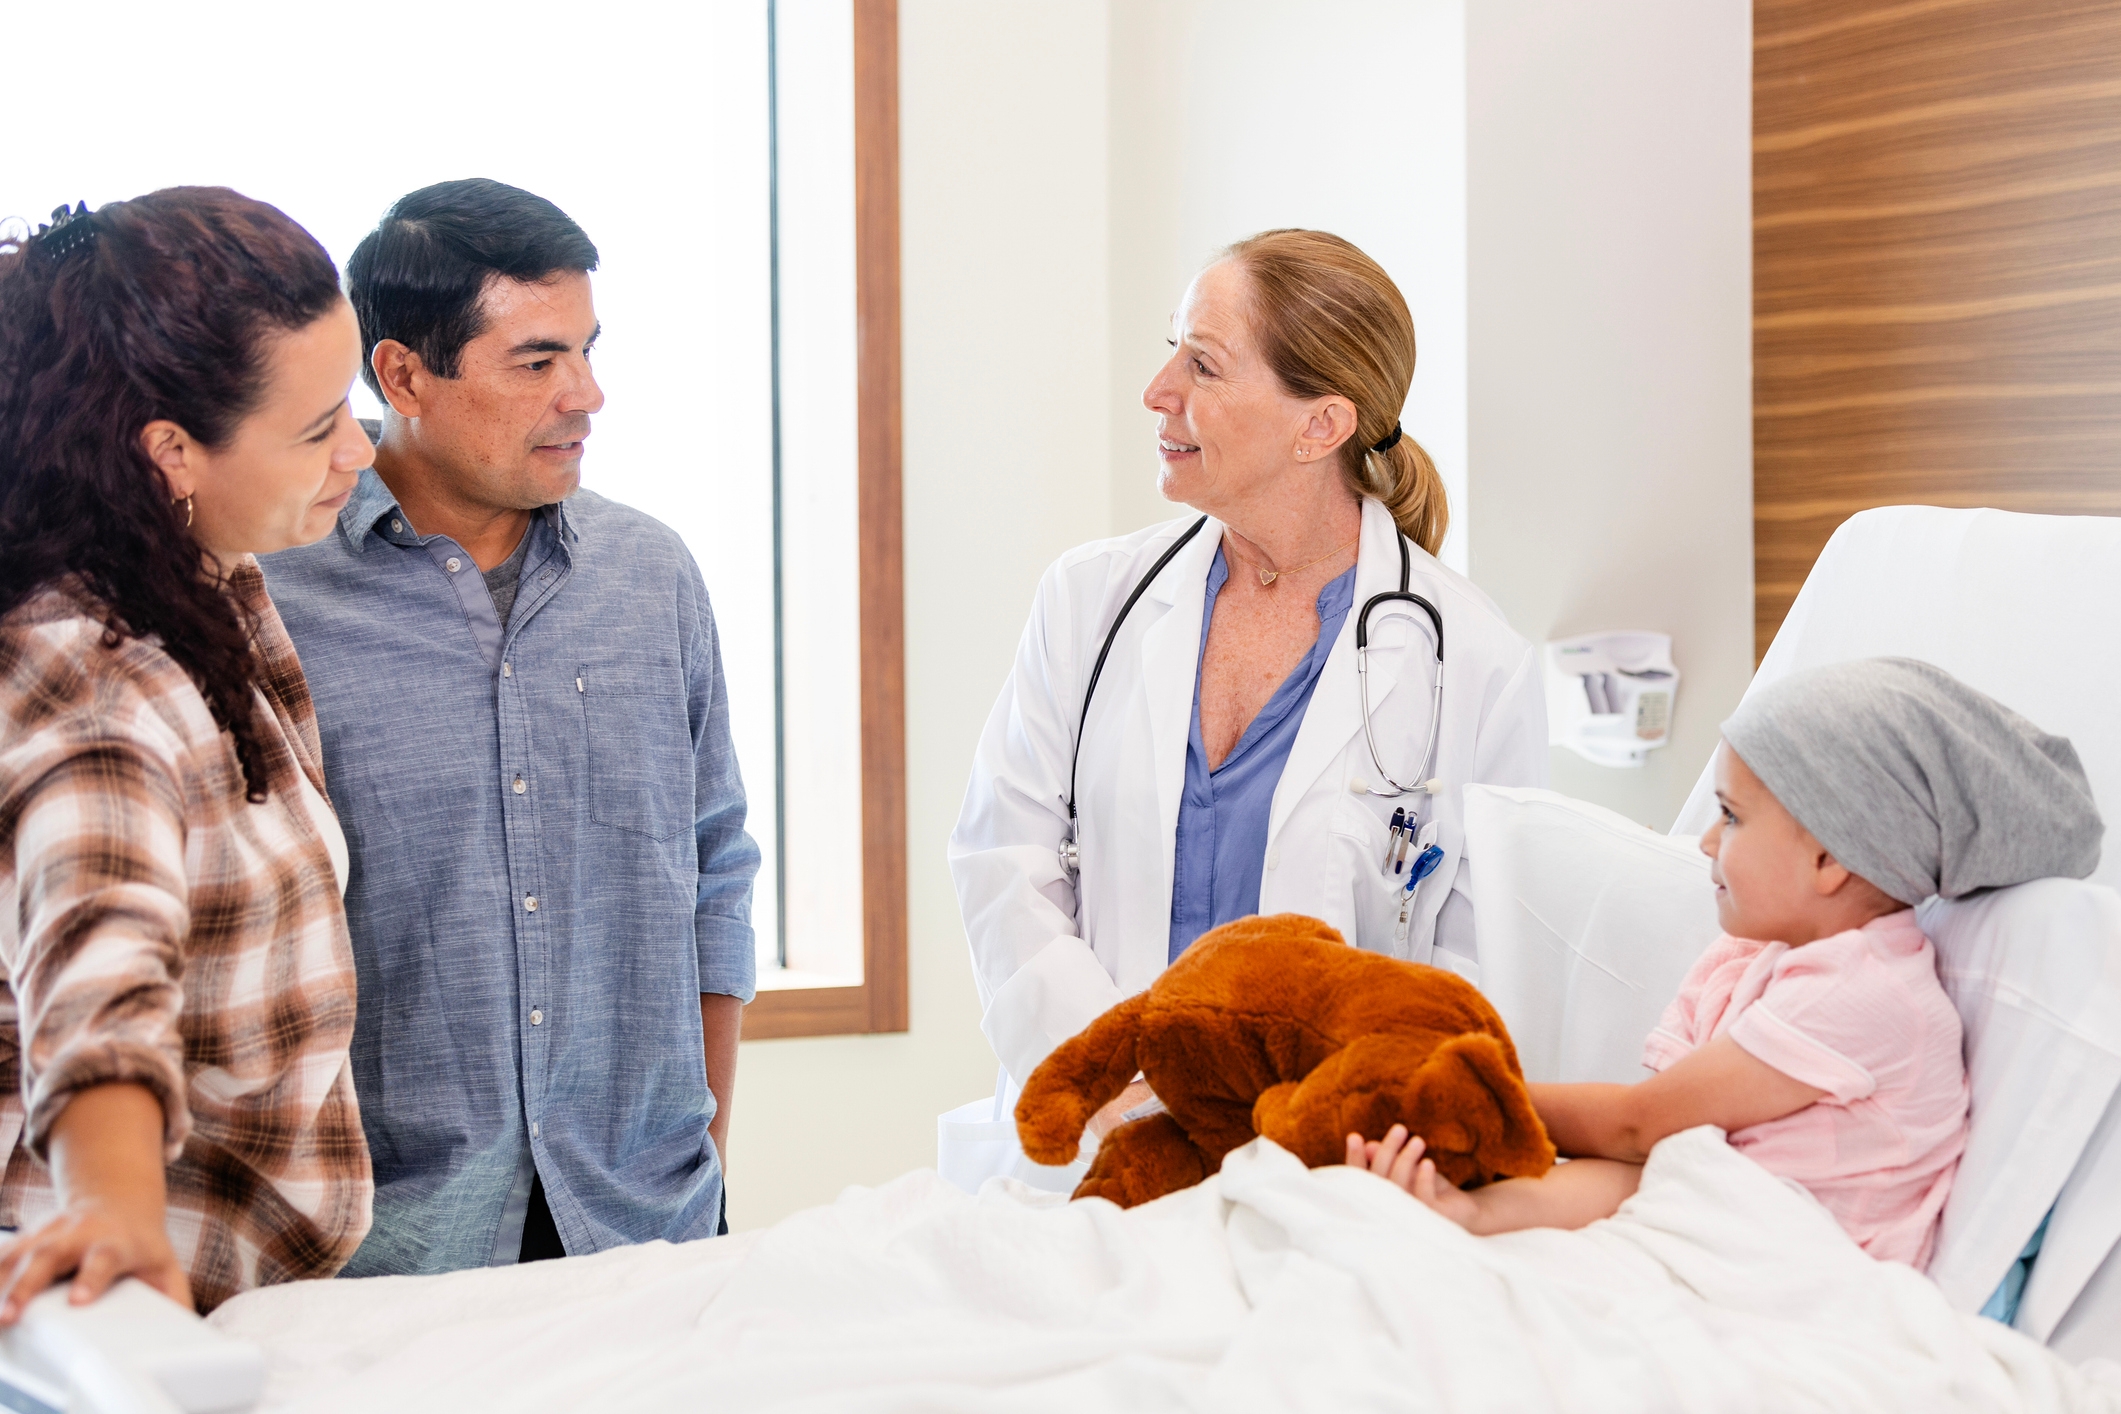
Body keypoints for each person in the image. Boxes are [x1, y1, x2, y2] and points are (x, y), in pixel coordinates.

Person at [950, 229, 1547, 1157]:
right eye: (1170, 351)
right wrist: (1114, 1087)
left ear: (1320, 426)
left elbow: (1477, 963)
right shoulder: (1091, 602)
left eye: (1204, 365)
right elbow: (1003, 860)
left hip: (1321, 1165)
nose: (1158, 391)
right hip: (1095, 1138)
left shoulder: (1470, 662)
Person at [260, 179, 758, 1273]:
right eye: (538, 362)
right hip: (389, 1249)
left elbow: (716, 871)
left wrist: (703, 1155)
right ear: (402, 375)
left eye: (586, 348)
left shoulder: (652, 576)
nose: (587, 394)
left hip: (648, 1224)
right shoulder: (273, 602)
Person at [1354, 658, 2102, 1268]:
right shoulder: (1743, 964)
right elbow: (1645, 1174)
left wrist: (1456, 1085)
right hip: (1696, 1231)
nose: (1707, 841)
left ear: (1831, 855)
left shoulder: (1870, 995)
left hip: (1798, 1281)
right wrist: (1470, 1215)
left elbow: (1633, 1130)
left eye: (1733, 817)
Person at [0, 188, 379, 1314]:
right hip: (121, 1318)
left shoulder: (207, 583)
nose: (361, 448)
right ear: (170, 451)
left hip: (240, 1305)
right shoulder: (100, 682)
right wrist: (108, 1210)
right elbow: (99, 964)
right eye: (317, 430)